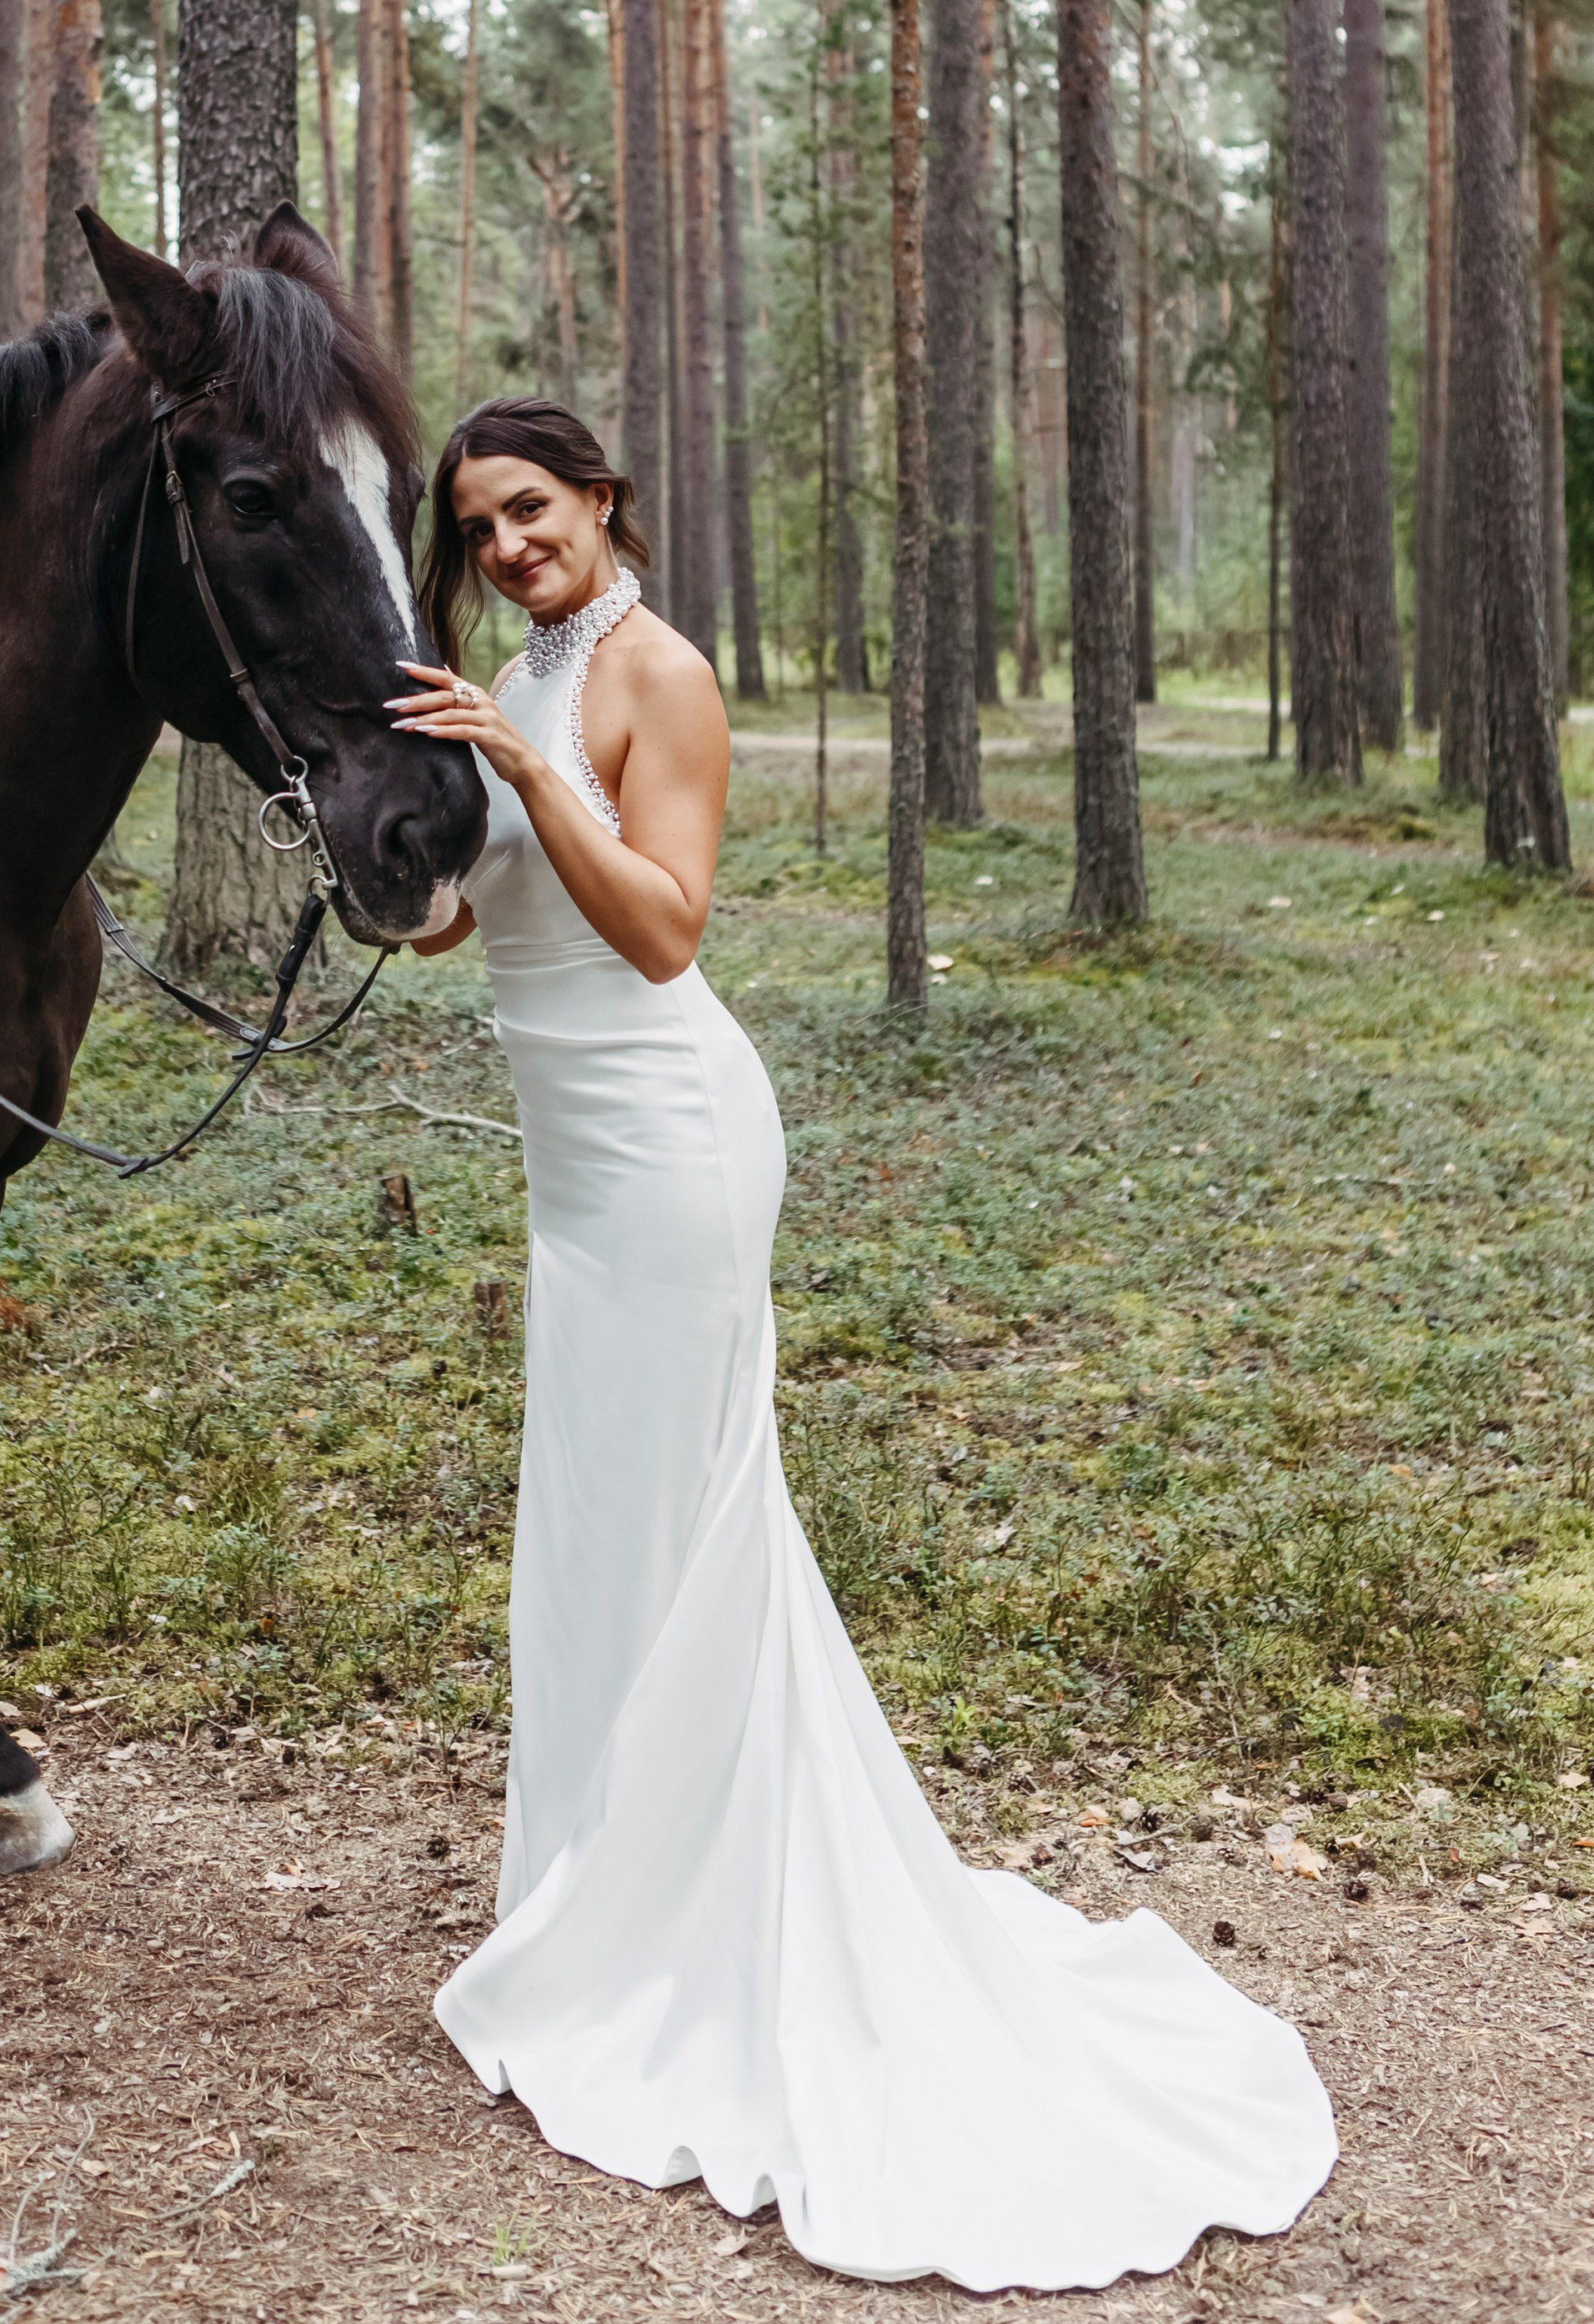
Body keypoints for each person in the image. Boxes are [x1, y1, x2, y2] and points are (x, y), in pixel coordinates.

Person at [385, 394, 1336, 2294]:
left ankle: (703, 1927)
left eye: (531, 510)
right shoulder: (512, 672)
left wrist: (519, 764)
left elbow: (660, 930)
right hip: (574, 1185)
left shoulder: (657, 671)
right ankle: (594, 1900)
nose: (507, 545)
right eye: (479, 524)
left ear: (600, 500)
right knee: (596, 1543)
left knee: (687, 1536)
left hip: (670, 1151)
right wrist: (398, 858)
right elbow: (476, 911)